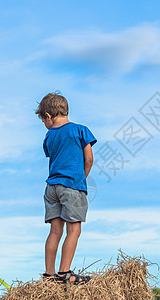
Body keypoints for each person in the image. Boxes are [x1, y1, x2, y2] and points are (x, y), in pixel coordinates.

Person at [35, 92, 97, 284]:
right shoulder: (81, 130)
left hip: (51, 187)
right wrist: (81, 179)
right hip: (71, 186)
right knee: (74, 230)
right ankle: (65, 273)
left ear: (48, 116)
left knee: (55, 231)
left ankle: (49, 274)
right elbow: (89, 159)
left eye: (42, 120)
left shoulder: (49, 136)